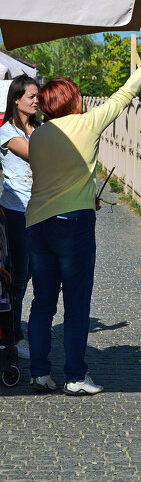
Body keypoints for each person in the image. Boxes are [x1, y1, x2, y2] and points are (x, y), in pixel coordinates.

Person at [25, 37, 141, 395]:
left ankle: (39, 373)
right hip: (72, 224)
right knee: (76, 302)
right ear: (71, 101)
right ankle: (75, 376)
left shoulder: (39, 135)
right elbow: (126, 93)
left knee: (43, 302)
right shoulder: (88, 123)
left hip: (37, 223)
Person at [0, 75, 40, 360]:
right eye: (31, 96)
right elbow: (35, 155)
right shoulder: (6, 132)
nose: (37, 100)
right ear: (16, 99)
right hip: (16, 213)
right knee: (18, 277)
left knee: (41, 276)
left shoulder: (42, 129)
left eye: (38, 96)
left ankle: (28, 333)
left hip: (43, 211)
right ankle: (14, 336)